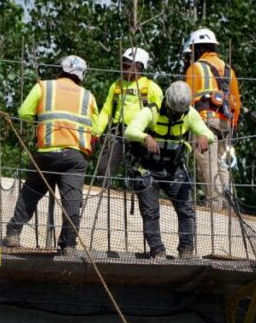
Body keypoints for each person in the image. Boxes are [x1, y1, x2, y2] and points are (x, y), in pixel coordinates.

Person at [1, 56, 98, 254]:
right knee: (72, 201)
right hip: (75, 156)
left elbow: (23, 113)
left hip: (47, 153)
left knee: (32, 191)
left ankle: (13, 233)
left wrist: (42, 122)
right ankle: (69, 244)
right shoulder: (88, 96)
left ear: (59, 69)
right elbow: (95, 129)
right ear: (81, 75)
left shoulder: (43, 87)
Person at [124, 81, 217, 259]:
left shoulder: (189, 114)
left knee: (186, 209)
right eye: (174, 110)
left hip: (173, 169)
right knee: (151, 212)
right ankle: (157, 251)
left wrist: (204, 137)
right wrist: (145, 137)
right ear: (167, 101)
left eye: (179, 112)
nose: (176, 115)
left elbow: (209, 134)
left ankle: (186, 250)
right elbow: (130, 131)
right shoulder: (150, 111)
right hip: (148, 169)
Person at [183, 28, 242, 210]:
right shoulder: (228, 69)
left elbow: (186, 100)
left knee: (207, 166)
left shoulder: (196, 68)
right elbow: (236, 102)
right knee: (221, 166)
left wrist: (184, 127)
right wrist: (232, 126)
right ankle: (229, 207)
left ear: (197, 48)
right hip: (225, 123)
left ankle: (214, 207)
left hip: (204, 121)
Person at [93, 47, 163, 185]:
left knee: (143, 173)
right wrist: (96, 133)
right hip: (119, 133)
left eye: (127, 66)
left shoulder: (151, 87)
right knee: (103, 168)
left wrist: (157, 136)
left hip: (142, 135)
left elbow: (160, 114)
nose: (123, 69)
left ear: (139, 66)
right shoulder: (116, 86)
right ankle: (103, 195)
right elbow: (106, 111)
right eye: (122, 65)